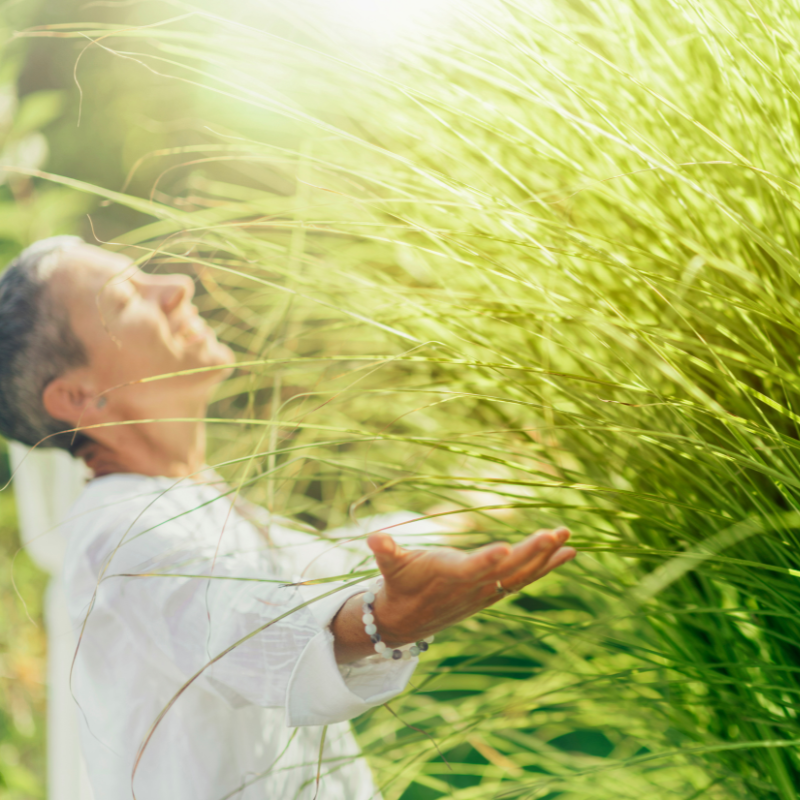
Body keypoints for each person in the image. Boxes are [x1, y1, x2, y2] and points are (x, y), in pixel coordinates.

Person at [0, 236, 576, 799]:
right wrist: (385, 621)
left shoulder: (193, 501)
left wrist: (480, 506)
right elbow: (242, 622)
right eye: (125, 300)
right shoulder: (119, 529)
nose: (175, 286)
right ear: (77, 398)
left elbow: (325, 565)